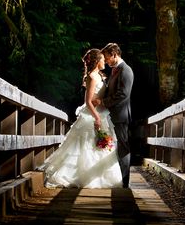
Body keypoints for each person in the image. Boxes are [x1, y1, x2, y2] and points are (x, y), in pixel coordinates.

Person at [37, 48, 123, 188]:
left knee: (101, 145)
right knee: (86, 146)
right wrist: (96, 118)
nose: (104, 62)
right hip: (92, 115)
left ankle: (100, 177)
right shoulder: (91, 77)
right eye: (102, 59)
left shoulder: (100, 76)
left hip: (102, 113)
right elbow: (88, 101)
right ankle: (81, 176)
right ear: (96, 61)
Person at [93, 43, 134, 188]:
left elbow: (123, 94)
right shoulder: (116, 70)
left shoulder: (126, 70)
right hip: (112, 115)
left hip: (121, 116)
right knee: (115, 147)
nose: (106, 60)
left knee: (123, 147)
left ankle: (125, 182)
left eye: (107, 57)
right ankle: (118, 179)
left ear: (115, 54)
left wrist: (103, 102)